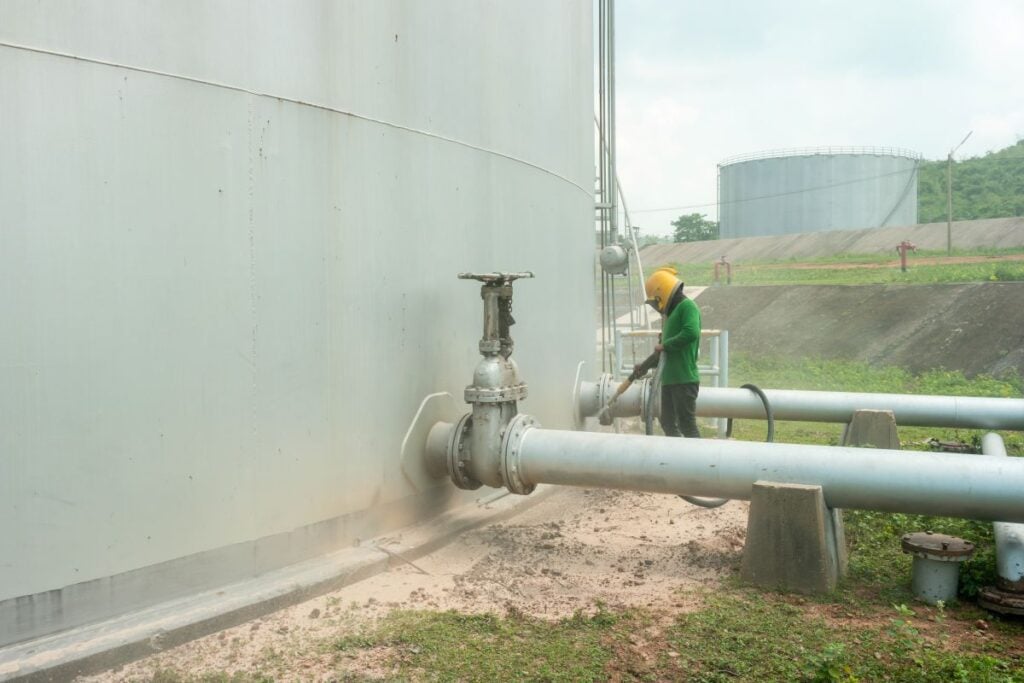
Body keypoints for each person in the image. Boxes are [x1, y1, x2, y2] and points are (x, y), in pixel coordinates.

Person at [639, 266, 702, 438]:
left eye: (656, 301)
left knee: (687, 425)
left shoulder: (688, 307)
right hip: (669, 380)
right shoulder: (671, 316)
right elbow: (663, 354)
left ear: (662, 292)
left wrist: (665, 345)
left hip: (684, 378)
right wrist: (643, 367)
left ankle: (700, 462)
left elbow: (691, 332)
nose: (657, 306)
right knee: (667, 423)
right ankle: (679, 460)